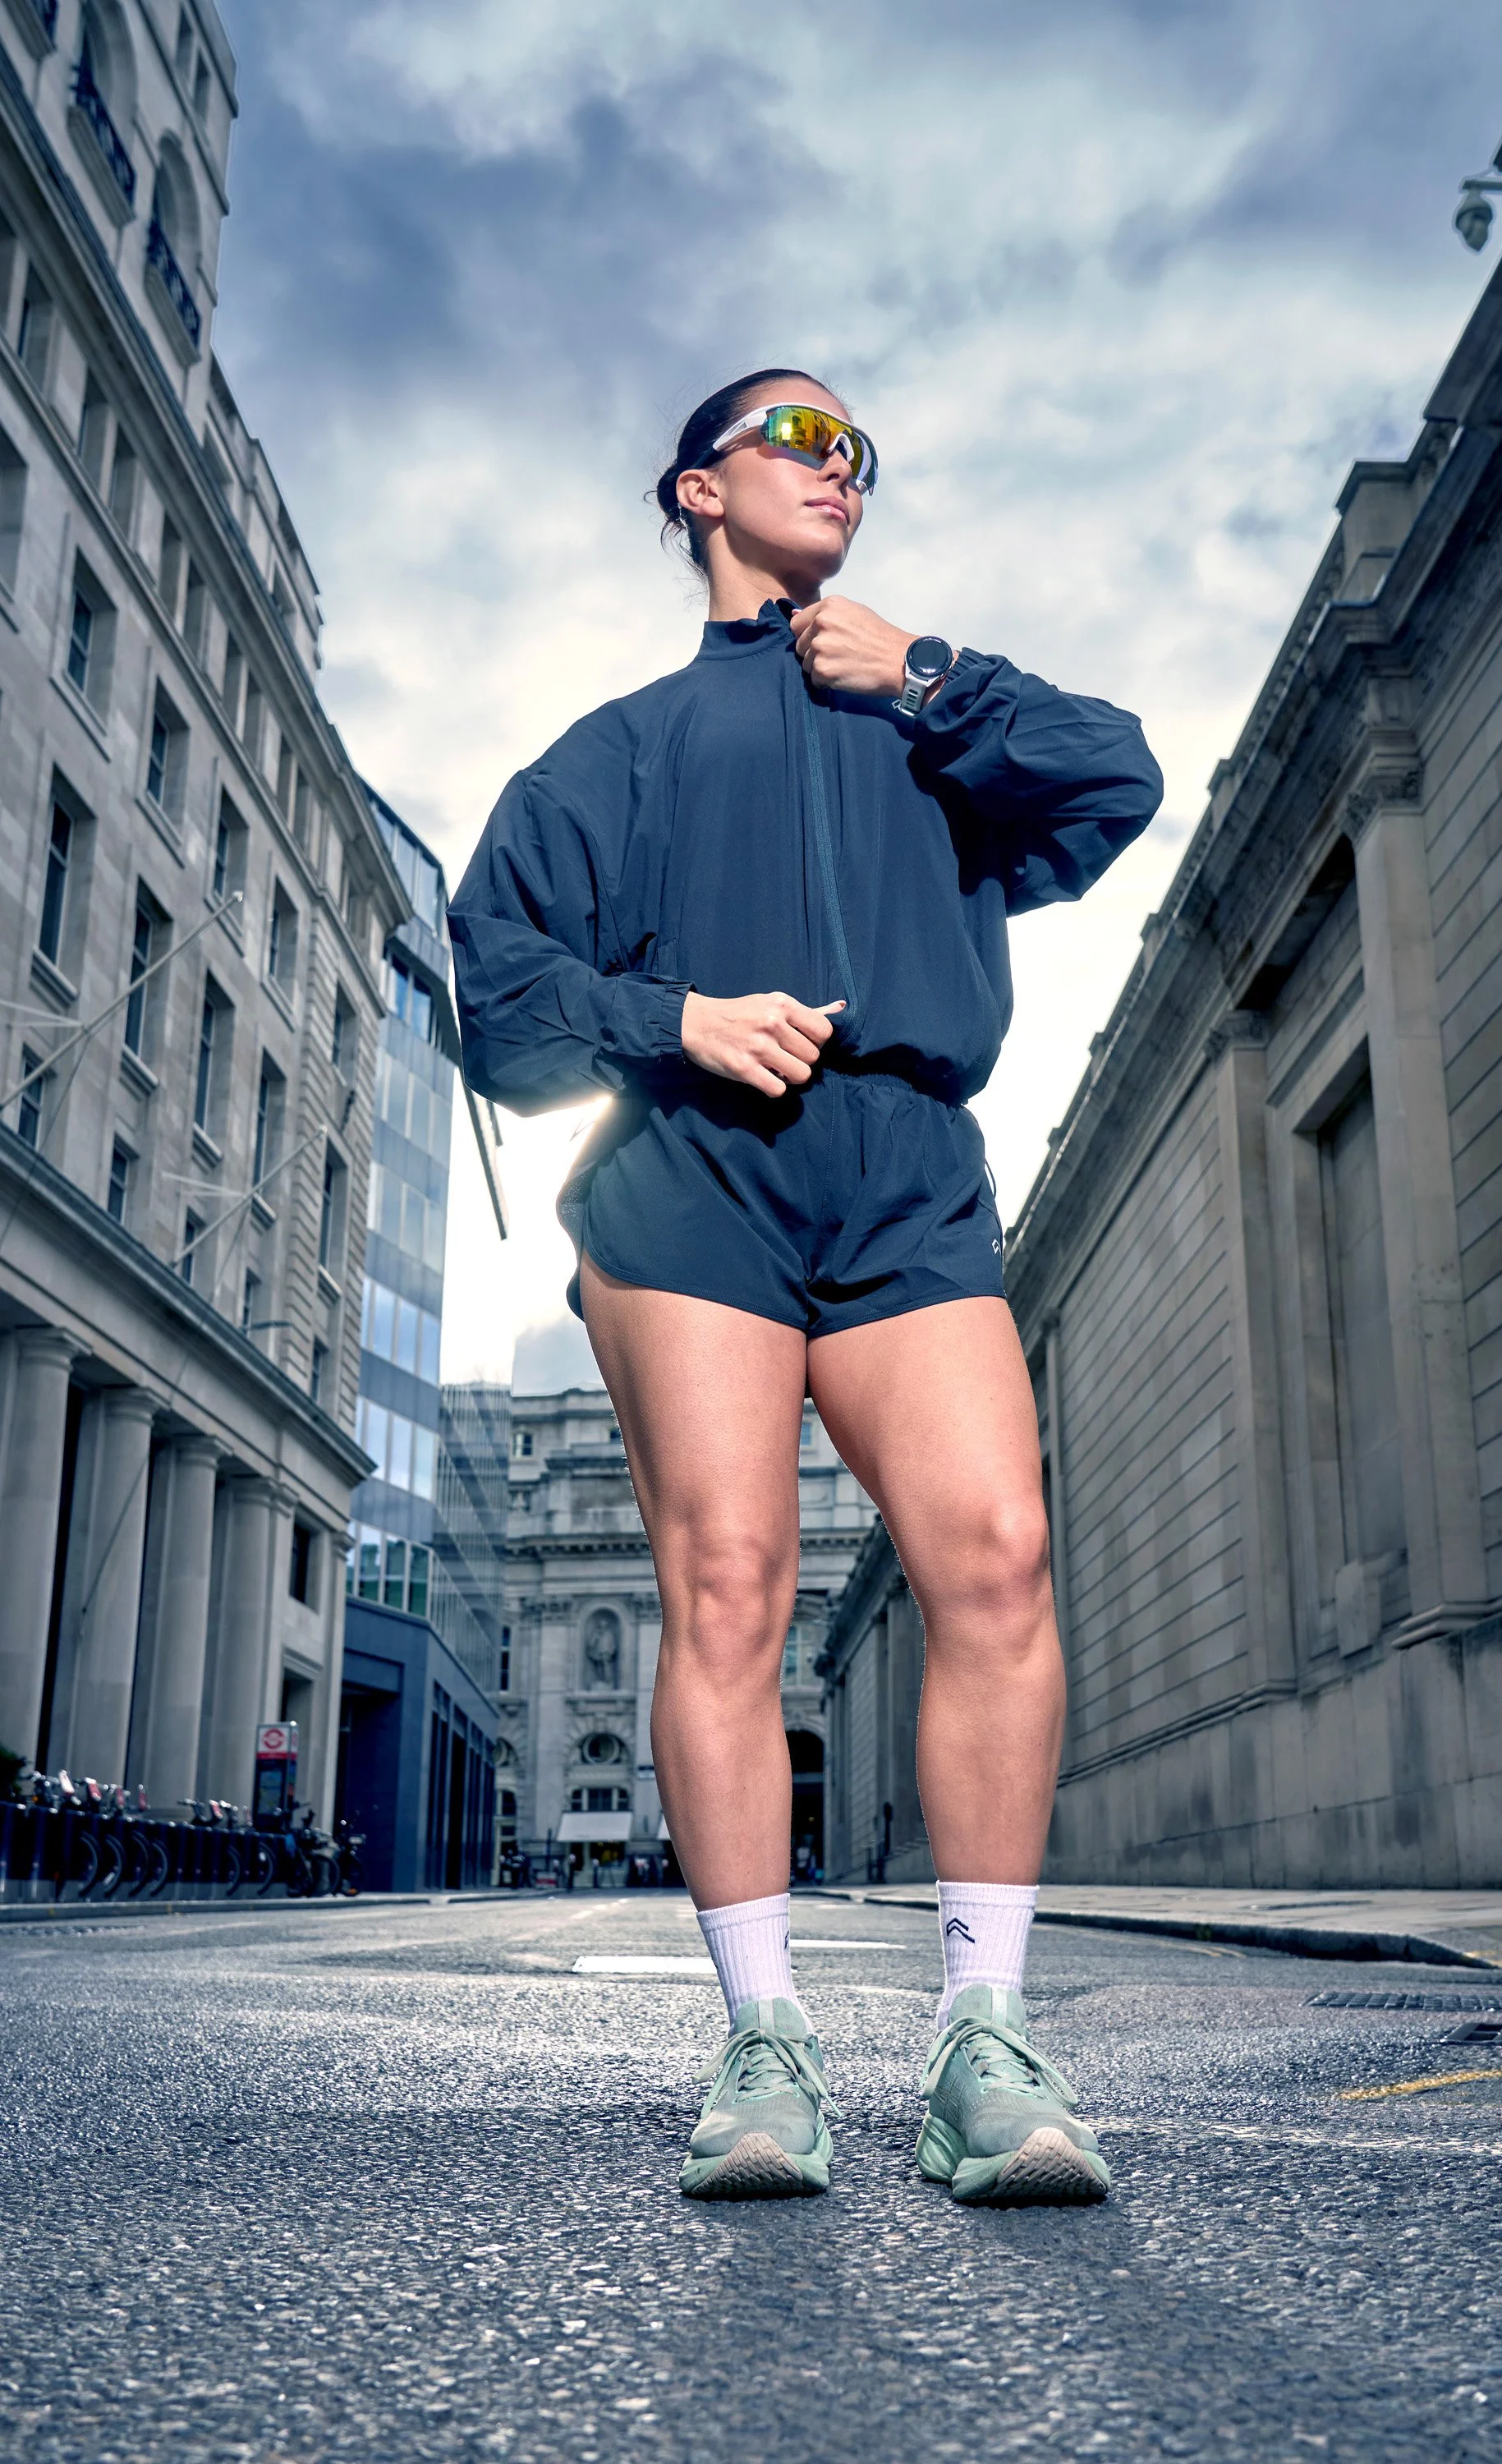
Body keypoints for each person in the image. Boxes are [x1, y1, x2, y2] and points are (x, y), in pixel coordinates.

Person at [450, 370, 1162, 2206]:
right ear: (701, 487)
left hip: (910, 1165)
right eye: (802, 437)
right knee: (730, 1586)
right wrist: (668, 1019)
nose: (840, 469)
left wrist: (925, 676)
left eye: (862, 451)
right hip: (695, 1178)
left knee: (995, 1553)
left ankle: (981, 2046)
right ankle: (764, 2045)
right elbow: (499, 993)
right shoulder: (609, 753)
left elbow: (1120, 774)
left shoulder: (934, 723)